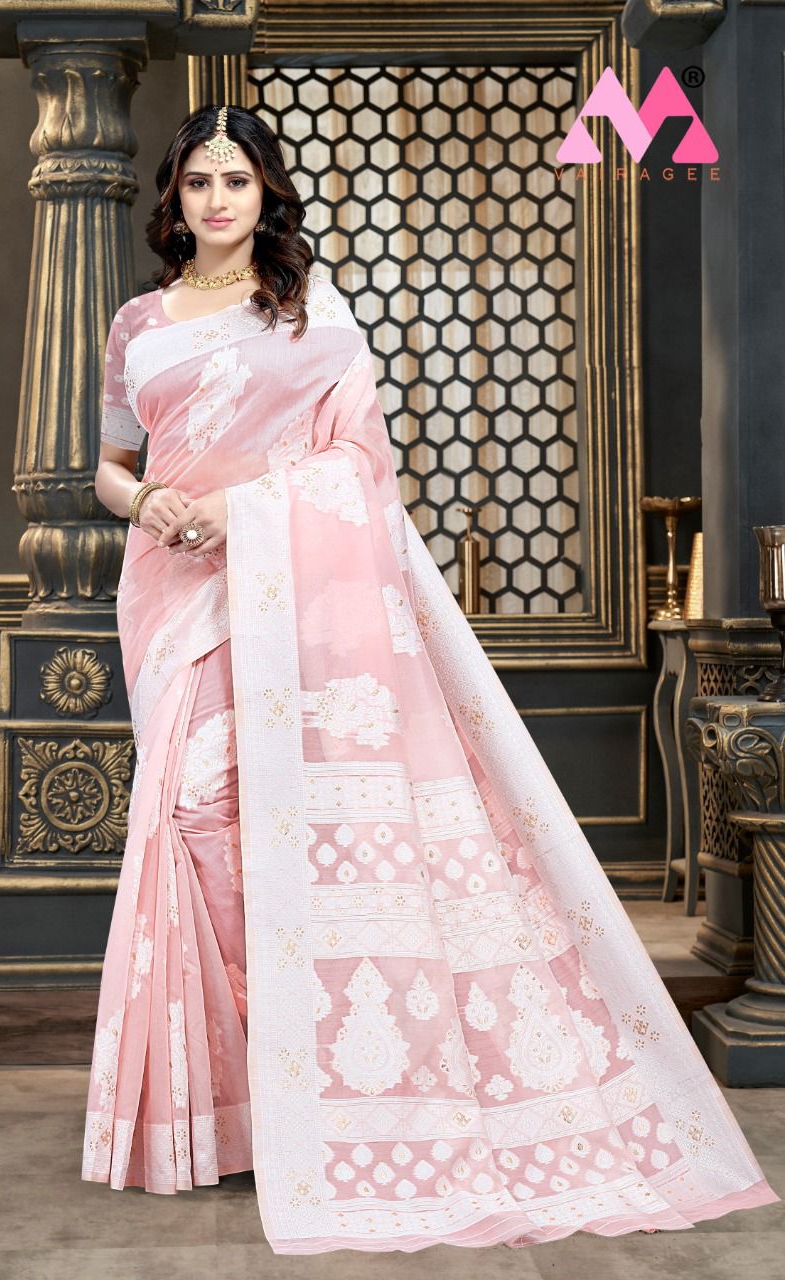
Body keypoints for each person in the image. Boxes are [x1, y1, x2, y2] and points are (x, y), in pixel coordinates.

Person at [81, 104, 777, 1254]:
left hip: (286, 594)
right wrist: (148, 500)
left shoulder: (312, 316)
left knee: (271, 827)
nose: (216, 199)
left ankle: (310, 1091)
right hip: (170, 594)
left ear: (266, 194)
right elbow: (110, 465)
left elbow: (360, 467)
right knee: (192, 823)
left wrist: (240, 510)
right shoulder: (137, 324)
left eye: (237, 180)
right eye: (199, 180)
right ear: (174, 198)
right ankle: (229, 1106)